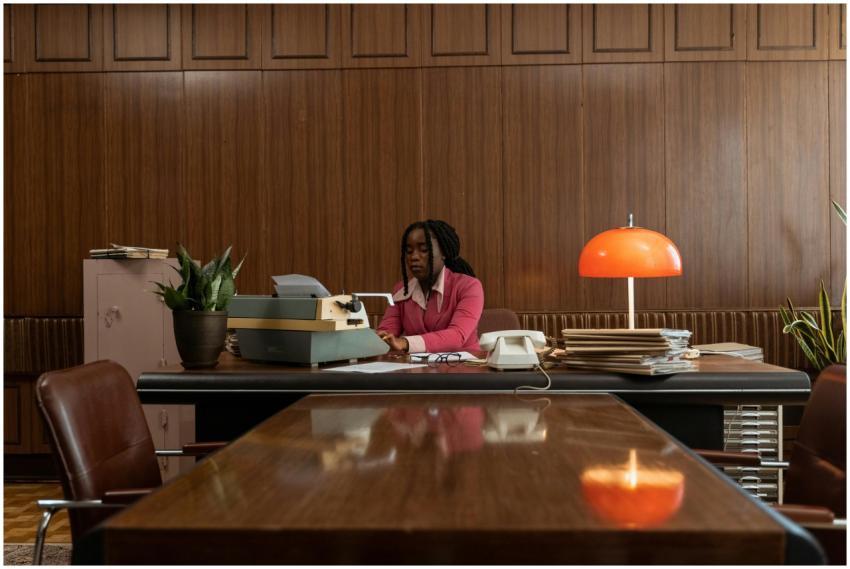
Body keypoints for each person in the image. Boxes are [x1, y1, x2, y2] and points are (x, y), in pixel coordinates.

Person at [377, 220, 484, 354]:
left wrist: (405, 342)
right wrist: (379, 339)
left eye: (424, 250)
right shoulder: (401, 290)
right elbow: (386, 332)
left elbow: (457, 336)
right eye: (409, 251)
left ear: (444, 252)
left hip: (462, 369)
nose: (414, 257)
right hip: (417, 370)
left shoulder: (469, 286)